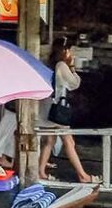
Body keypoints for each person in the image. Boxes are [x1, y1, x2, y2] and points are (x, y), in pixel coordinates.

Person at [38, 37, 93, 183]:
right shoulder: (62, 65)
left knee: (49, 140)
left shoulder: (47, 62)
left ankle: (40, 172)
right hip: (58, 109)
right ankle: (83, 175)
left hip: (46, 105)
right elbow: (74, 84)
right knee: (69, 141)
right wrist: (73, 67)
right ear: (65, 51)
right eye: (69, 50)